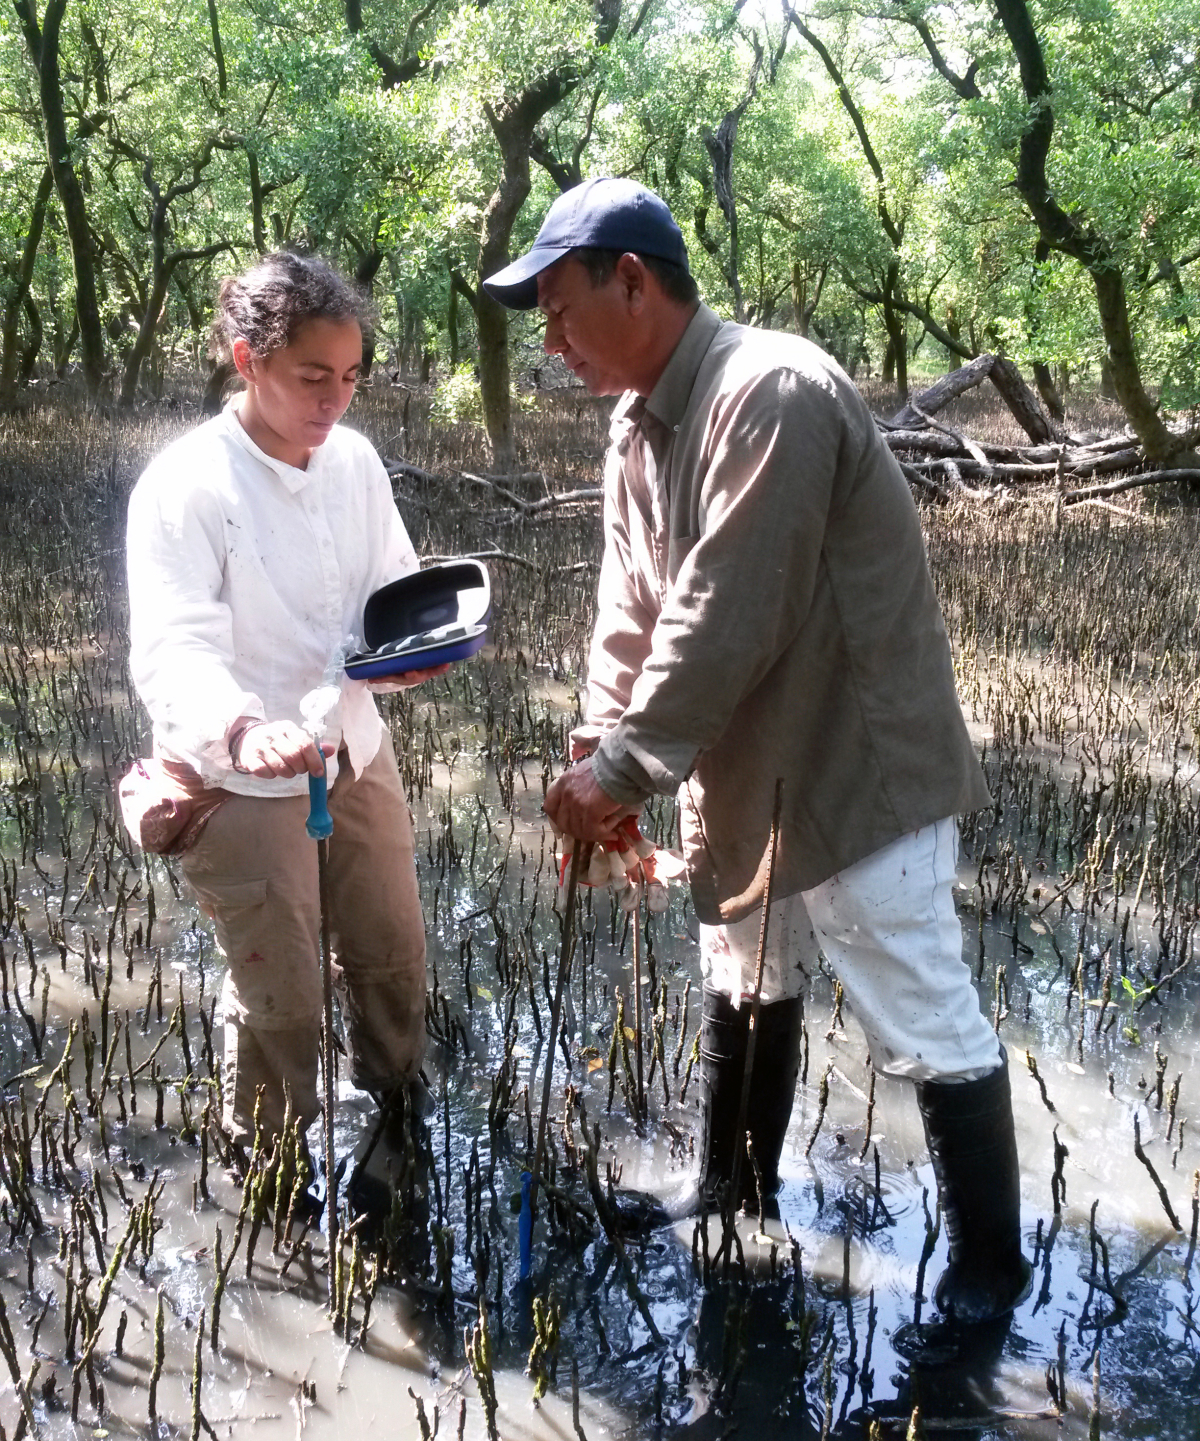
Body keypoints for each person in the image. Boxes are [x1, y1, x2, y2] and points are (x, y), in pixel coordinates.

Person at [483, 177, 1031, 1353]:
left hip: (853, 767)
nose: (552, 338)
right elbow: (633, 608)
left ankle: (990, 1271)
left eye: (562, 306)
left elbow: (728, 608)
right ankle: (733, 1189)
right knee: (745, 970)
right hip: (737, 769)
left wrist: (625, 769)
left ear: (633, 279)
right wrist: (596, 744)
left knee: (923, 1008)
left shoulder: (768, 388)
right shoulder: (636, 422)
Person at [126, 251, 443, 1159]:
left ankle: (398, 1125)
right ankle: (263, 1174)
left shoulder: (356, 463)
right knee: (283, 999)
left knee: (391, 954)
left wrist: (408, 659)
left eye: (349, 378)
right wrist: (240, 727)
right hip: (239, 777)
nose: (333, 400)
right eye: (311, 376)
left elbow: (392, 592)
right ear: (247, 360)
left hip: (353, 747)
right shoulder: (186, 487)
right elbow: (172, 646)